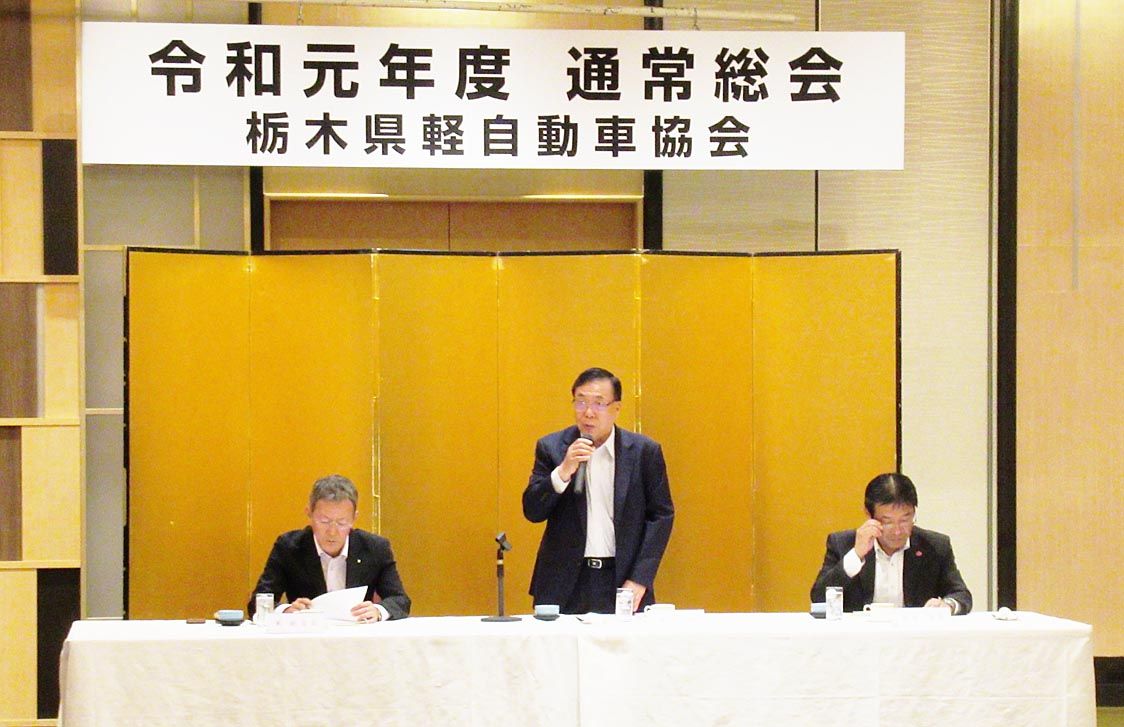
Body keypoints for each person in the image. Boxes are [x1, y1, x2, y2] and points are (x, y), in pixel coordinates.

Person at [523, 367, 674, 614]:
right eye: (580, 402)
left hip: (623, 580)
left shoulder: (644, 452)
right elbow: (532, 511)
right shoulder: (552, 447)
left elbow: (661, 516)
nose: (588, 412)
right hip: (564, 583)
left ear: (616, 408)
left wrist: (640, 578)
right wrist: (563, 471)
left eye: (599, 403)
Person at [248, 474, 410, 621]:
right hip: (307, 638)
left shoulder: (375, 548)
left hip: (357, 636)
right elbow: (257, 602)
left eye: (341, 523)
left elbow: (400, 600)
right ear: (309, 513)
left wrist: (378, 610)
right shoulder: (289, 547)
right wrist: (286, 611)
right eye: (324, 521)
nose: (332, 532)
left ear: (354, 518)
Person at [810, 472, 972, 614]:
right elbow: (818, 598)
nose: (897, 531)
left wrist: (948, 605)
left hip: (916, 635)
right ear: (869, 515)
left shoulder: (935, 546)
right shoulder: (843, 543)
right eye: (887, 522)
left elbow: (961, 595)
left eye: (905, 520)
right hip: (860, 635)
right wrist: (856, 556)